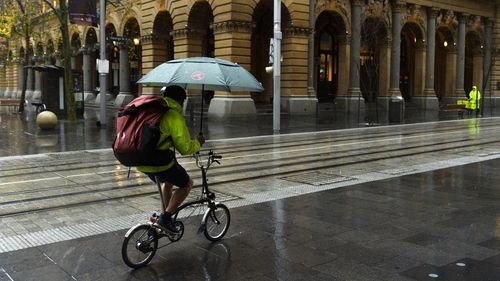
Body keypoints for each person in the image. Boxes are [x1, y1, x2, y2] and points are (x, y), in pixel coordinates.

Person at [136, 85, 205, 233]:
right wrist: (198, 143)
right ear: (180, 100)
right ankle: (166, 218)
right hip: (158, 163)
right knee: (186, 184)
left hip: (140, 161)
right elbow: (185, 148)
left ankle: (164, 216)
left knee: (168, 181)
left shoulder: (152, 111)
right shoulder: (173, 116)